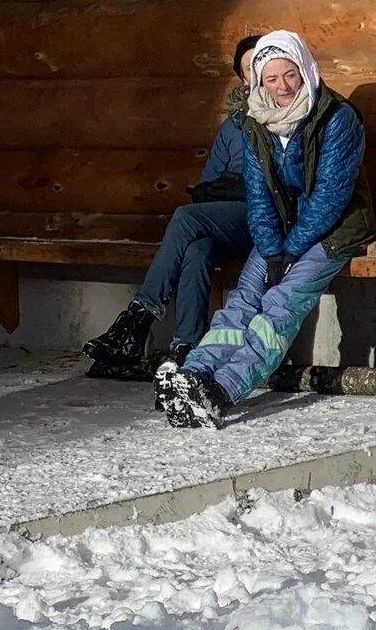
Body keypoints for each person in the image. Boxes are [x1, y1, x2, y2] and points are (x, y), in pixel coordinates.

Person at [155, 29, 376, 429]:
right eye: (271, 79)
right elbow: (258, 194)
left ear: (305, 70)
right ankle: (194, 374)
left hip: (335, 230)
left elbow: (330, 195)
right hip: (284, 232)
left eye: (289, 75)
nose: (282, 87)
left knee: (282, 302)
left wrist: (291, 252)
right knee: (245, 298)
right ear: (259, 82)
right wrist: (272, 249)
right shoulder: (258, 120)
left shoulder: (337, 118)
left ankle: (223, 388)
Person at [80, 34, 264, 378]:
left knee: (184, 217)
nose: (258, 72)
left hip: (264, 216)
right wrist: (224, 190)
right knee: (196, 250)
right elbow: (208, 184)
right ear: (242, 79)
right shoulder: (233, 126)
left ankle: (136, 321)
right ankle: (187, 349)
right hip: (227, 216)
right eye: (249, 68)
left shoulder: (284, 117)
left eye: (262, 62)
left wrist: (239, 185)